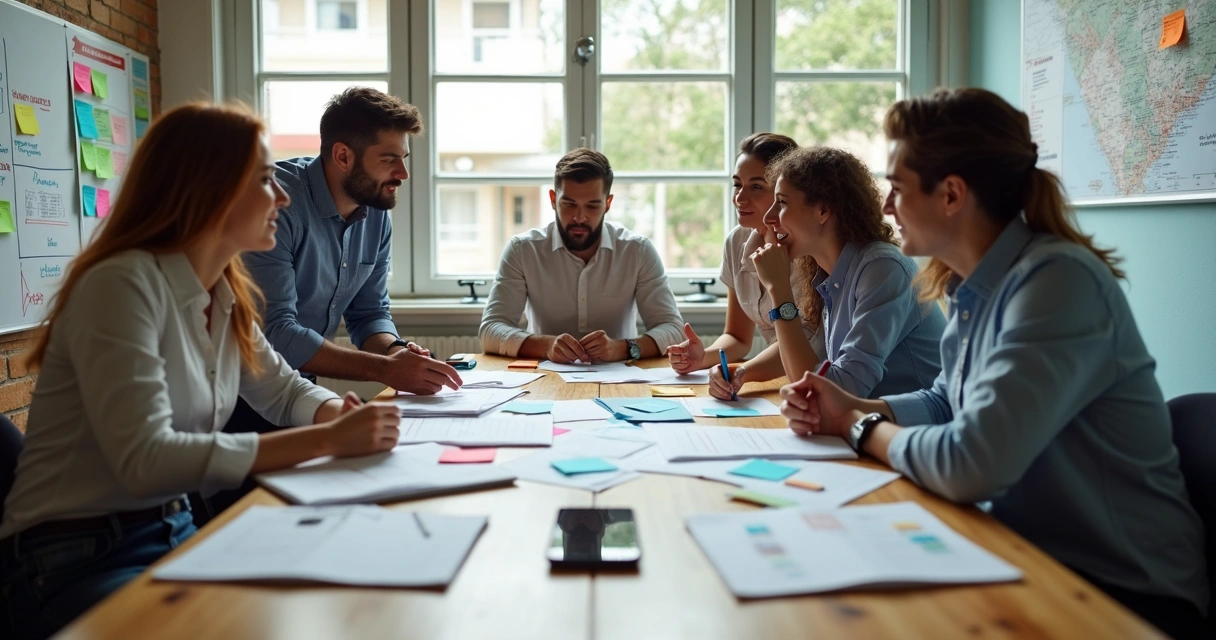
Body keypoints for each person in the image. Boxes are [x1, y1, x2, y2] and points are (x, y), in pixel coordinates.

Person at [779, 88, 1209, 639]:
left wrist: (860, 426)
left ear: (952, 194)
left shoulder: (1057, 282)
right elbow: (943, 399)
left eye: (899, 188)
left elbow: (971, 463)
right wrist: (857, 403)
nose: (886, 207)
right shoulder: (969, 282)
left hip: (1122, 594)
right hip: (1028, 555)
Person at [0, 104, 402, 640]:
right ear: (208, 189)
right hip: (74, 559)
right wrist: (328, 439)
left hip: (172, 529)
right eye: (264, 180)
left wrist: (339, 413)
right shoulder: (121, 285)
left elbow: (281, 391)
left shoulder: (222, 290)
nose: (282, 197)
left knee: (334, 592)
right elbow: (147, 460)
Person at [247, 87, 461, 401]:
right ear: (343, 156)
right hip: (237, 391)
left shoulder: (374, 211)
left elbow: (369, 313)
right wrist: (385, 369)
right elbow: (275, 333)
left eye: (403, 158)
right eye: (389, 160)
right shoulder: (276, 207)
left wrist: (395, 351)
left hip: (295, 388)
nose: (403, 174)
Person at [725, 145, 944, 401]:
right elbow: (813, 385)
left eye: (782, 202)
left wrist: (779, 290)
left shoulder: (882, 268)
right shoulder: (828, 275)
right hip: (866, 425)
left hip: (915, 433)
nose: (770, 217)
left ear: (823, 211)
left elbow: (839, 391)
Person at [479, 148, 684, 363]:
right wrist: (546, 346)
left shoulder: (637, 251)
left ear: (608, 203)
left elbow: (674, 329)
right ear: (552, 199)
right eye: (568, 204)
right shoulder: (523, 250)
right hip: (544, 382)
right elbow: (490, 331)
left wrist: (623, 348)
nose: (579, 217)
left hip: (621, 381)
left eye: (592, 206)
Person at [666, 133, 826, 386]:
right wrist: (703, 357)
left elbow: (811, 342)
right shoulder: (737, 242)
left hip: (810, 380)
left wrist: (741, 373)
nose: (740, 198)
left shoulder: (811, 251)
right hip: (780, 381)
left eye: (756, 187)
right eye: (737, 185)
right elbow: (738, 337)